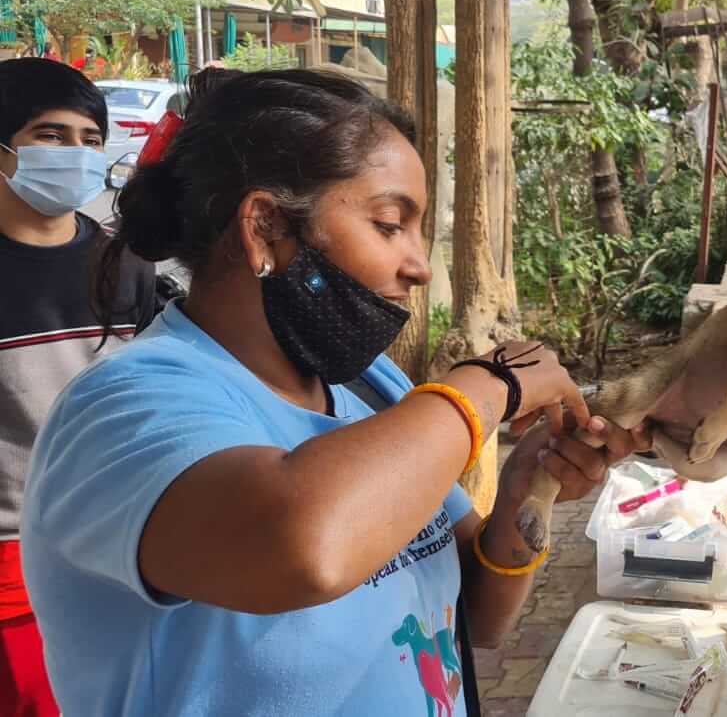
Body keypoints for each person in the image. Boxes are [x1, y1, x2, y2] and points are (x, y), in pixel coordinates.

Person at [21, 68, 648, 716]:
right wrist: (488, 387)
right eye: (388, 223)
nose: (419, 265)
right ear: (265, 227)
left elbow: (477, 617)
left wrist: (527, 491)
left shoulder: (365, 386)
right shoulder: (121, 413)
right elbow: (304, 548)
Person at [0, 58, 157, 717]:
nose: (76, 154)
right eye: (51, 135)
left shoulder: (127, 265)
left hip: (122, 542)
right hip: (12, 566)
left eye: (91, 140)